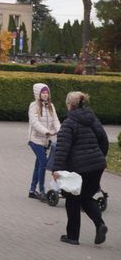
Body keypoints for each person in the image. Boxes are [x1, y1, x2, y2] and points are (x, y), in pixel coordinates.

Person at [52, 91, 108, 246]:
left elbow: (62, 148)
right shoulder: (92, 119)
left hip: (79, 168)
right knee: (86, 198)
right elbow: (104, 140)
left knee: (72, 200)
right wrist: (98, 157)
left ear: (69, 105)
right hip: (97, 166)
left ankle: (73, 236)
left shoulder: (69, 123)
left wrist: (56, 170)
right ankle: (99, 224)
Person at [27, 83, 61, 201]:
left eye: (47, 92)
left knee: (38, 165)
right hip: (35, 139)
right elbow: (35, 123)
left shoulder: (51, 106)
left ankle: (32, 190)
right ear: (38, 93)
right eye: (43, 92)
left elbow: (56, 120)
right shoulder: (33, 106)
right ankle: (41, 190)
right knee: (43, 163)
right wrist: (47, 131)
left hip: (45, 140)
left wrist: (60, 131)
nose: (45, 95)